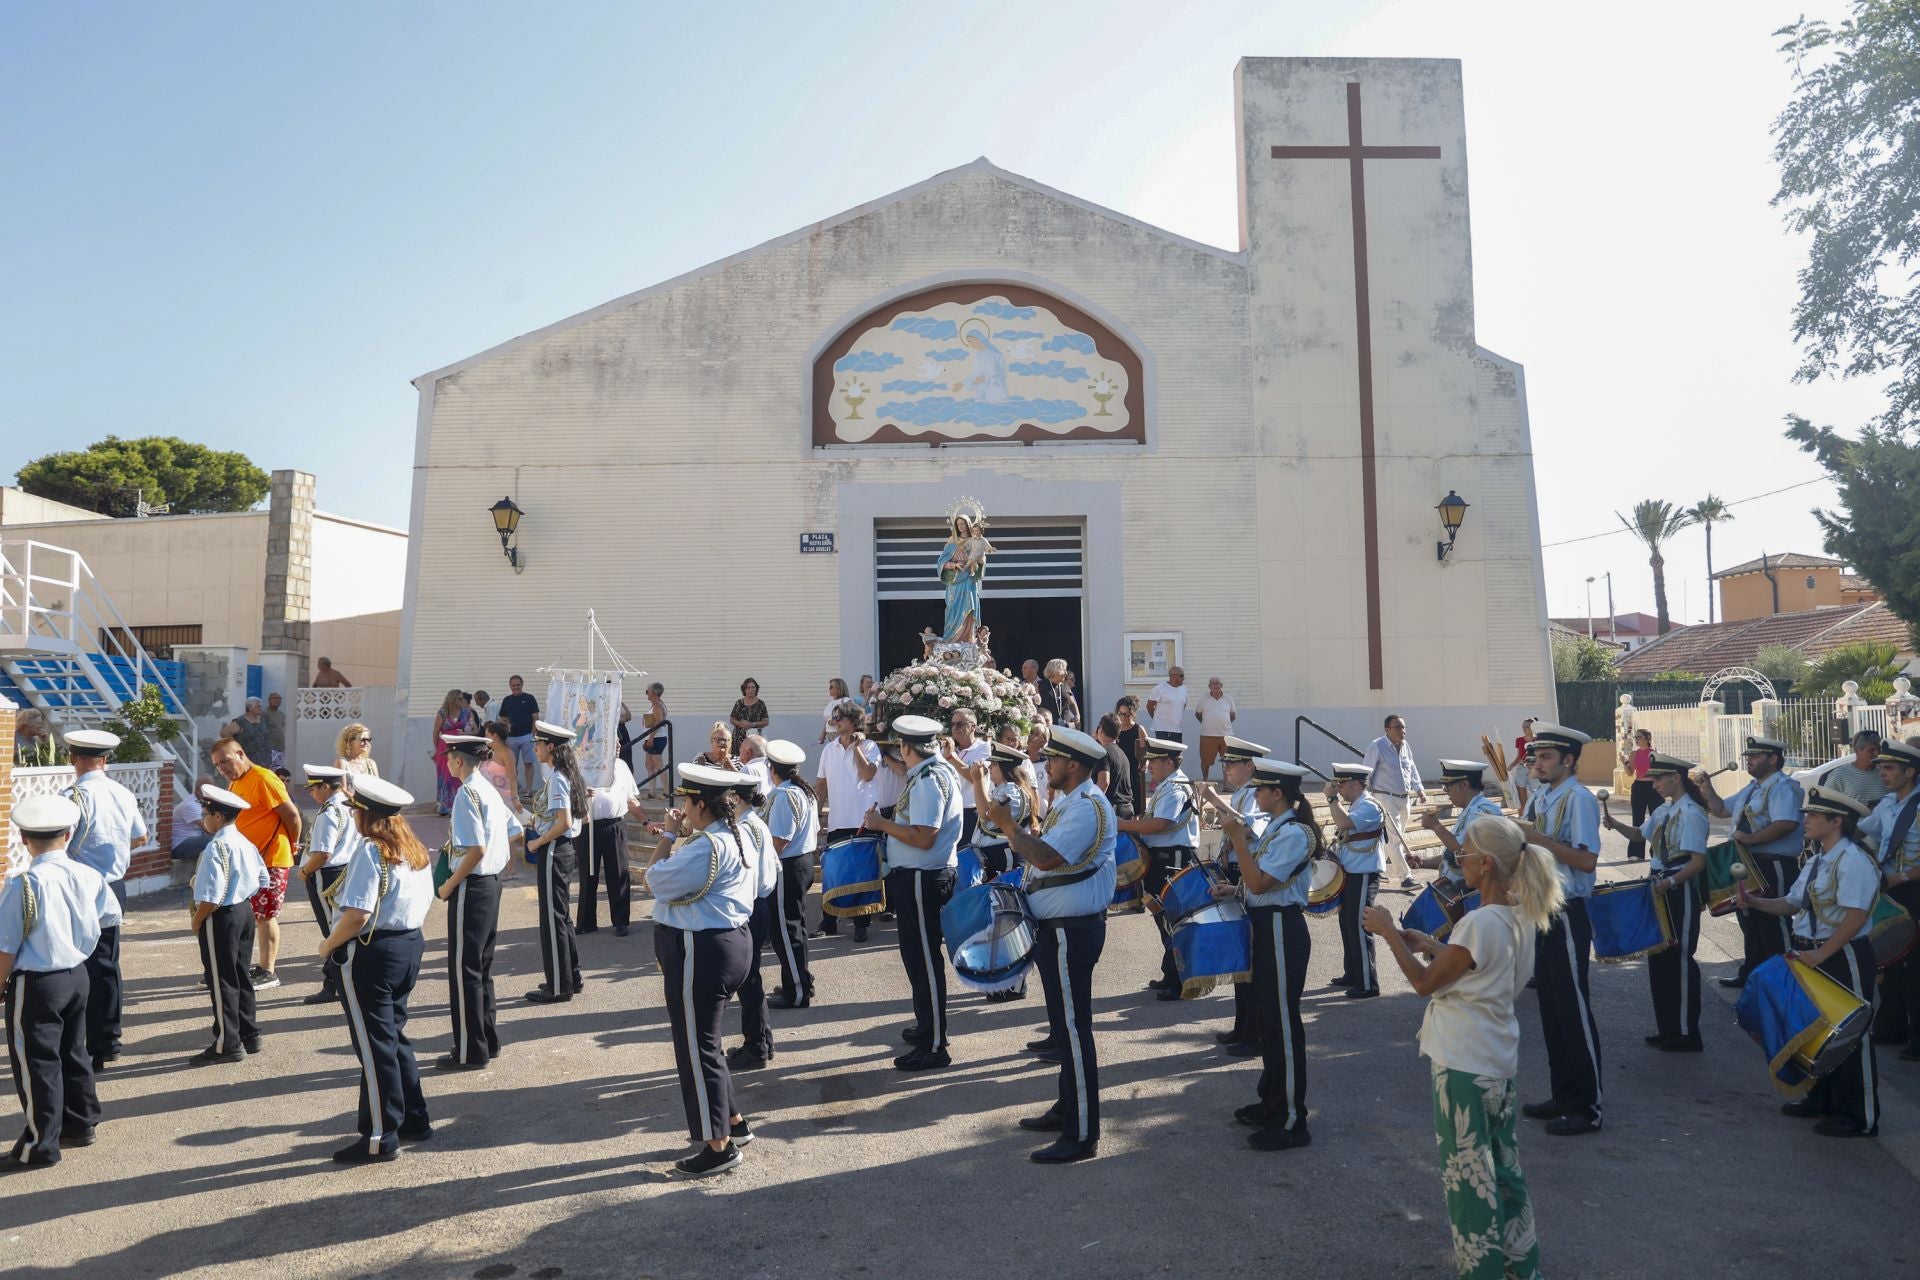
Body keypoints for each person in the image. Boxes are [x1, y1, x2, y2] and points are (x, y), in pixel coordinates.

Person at [1362, 814, 1560, 1279]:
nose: (1459, 860)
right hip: (1496, 1055)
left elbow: (1426, 984)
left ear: (1487, 864)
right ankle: (1519, 1264)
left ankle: (1481, 1272)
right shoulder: (1520, 913)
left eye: (1465, 854)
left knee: (1468, 1179)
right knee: (1504, 1168)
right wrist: (1431, 942)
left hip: (1464, 1061)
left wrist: (1390, 933)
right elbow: (1475, 968)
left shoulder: (1479, 922)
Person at [982, 726, 1117, 1164]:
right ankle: (1067, 1108)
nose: (1047, 766)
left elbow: (1046, 858)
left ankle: (1082, 1133)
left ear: (1073, 765)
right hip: (1059, 928)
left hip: (1070, 931)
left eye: (1053, 760)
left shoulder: (1087, 806)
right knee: (1064, 1028)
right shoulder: (1073, 801)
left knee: (1075, 1032)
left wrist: (1007, 826)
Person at [1739, 786, 1881, 1137]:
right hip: (1813, 951)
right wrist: (1757, 904)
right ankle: (1821, 1098)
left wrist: (1821, 953)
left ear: (1837, 821)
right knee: (1818, 1029)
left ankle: (1859, 1116)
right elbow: (1792, 903)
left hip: (1840, 953)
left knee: (1851, 1032)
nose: (1807, 819)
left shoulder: (1853, 860)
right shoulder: (1819, 858)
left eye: (1815, 815)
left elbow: (1855, 917)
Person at [643, 763, 757, 1176]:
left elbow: (653, 880)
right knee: (707, 1042)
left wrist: (670, 835)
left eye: (686, 803)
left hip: (703, 948)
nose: (683, 810)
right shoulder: (740, 831)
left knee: (696, 1048)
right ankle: (733, 1122)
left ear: (700, 804)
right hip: (732, 940)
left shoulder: (705, 846)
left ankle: (718, 1147)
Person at [1199, 759, 1318, 1152]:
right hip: (1267, 927)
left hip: (1282, 930)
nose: (1256, 794)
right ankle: (1271, 1101)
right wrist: (1234, 892)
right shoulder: (1278, 830)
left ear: (1277, 793)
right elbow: (1256, 885)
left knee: (1283, 1024)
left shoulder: (1295, 835)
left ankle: (1291, 1119)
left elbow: (1260, 881)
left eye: (1262, 789)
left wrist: (1238, 841)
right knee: (1269, 1020)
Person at [317, 776, 434, 1163]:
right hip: (409, 944)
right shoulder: (413, 848)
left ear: (366, 816)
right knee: (393, 1038)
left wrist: (328, 944)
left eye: (356, 812)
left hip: (373, 950)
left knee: (373, 1046)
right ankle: (414, 1118)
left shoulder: (371, 851)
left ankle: (380, 1136)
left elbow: (358, 914)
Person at [0, 794, 118, 1172]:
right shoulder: (87, 874)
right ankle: (80, 1123)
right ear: (68, 835)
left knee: (36, 1063)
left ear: (23, 839)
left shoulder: (24, 884)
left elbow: (6, 946)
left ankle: (40, 1143)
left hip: (38, 981)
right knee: (73, 1051)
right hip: (76, 975)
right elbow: (108, 920)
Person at [1515, 723, 1604, 1136]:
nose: (1538, 763)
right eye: (1537, 756)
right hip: (1540, 908)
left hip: (1567, 910)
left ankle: (1588, 1106)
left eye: (1547, 757)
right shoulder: (1542, 796)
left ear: (1569, 760)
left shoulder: (1579, 799)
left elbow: (1586, 862)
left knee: (1572, 1008)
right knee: (1551, 1009)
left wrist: (1537, 839)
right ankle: (1562, 1094)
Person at [863, 715, 962, 1071]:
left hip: (923, 877)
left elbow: (924, 836)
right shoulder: (931, 773)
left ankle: (934, 1044)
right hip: (920, 875)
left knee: (923, 961)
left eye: (899, 746)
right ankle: (927, 1028)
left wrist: (883, 824)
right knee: (919, 959)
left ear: (907, 747)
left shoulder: (929, 780)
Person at [1603, 753, 1709, 1050]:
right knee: (1659, 957)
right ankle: (1668, 1028)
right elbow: (1640, 834)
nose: (1656, 784)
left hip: (1678, 888)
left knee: (1680, 957)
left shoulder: (1691, 813)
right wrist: (1615, 824)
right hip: (1658, 884)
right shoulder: (1665, 811)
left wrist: (1671, 882)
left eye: (1660, 778)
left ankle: (1688, 1032)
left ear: (1677, 777)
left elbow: (1698, 862)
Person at [59, 730, 145, 1071]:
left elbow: (58, 843)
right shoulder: (121, 792)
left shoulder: (73, 795)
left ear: (71, 758)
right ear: (105, 759)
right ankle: (107, 1041)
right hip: (114, 884)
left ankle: (77, 1040)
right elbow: (141, 837)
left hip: (80, 886)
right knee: (106, 964)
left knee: (73, 962)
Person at [437, 735, 522, 1069]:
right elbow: (513, 830)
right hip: (490, 884)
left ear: (459, 760)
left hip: (471, 885)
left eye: (448, 757)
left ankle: (470, 1050)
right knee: (481, 967)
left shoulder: (467, 793)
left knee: (465, 971)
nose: (446, 763)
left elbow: (476, 849)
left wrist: (449, 885)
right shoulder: (487, 788)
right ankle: (487, 1040)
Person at [1700, 736, 1805, 988]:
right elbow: (1721, 810)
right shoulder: (1752, 788)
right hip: (1748, 861)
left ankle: (1784, 977)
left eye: (1756, 756)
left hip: (1773, 862)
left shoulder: (1782, 787)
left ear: (1773, 759)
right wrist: (1706, 788)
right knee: (1749, 919)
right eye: (1749, 756)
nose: (1750, 760)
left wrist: (1750, 839)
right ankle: (1753, 973)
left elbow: (1786, 824)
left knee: (1774, 923)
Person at [210, 738, 301, 991]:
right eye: (217, 765)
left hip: (270, 858)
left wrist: (292, 845)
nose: (223, 768)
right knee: (250, 915)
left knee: (266, 915)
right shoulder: (236, 781)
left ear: (240, 753)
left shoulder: (264, 778)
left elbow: (292, 815)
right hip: (250, 860)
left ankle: (268, 970)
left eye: (225, 761)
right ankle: (250, 966)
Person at [190, 783, 271, 1064]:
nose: (203, 819)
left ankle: (228, 1043)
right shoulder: (243, 841)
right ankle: (249, 1034)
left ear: (218, 816)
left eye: (205, 813)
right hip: (244, 910)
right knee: (239, 975)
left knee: (221, 980)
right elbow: (263, 880)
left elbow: (211, 897)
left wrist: (198, 920)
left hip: (221, 915)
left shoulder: (217, 847)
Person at [1120, 736, 1197, 1001]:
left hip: (1171, 858)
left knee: (1173, 919)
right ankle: (1171, 972)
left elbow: (1160, 824)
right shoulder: (1168, 784)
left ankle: (1180, 981)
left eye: (1153, 760)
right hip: (1162, 857)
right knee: (1163, 918)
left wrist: (1123, 825)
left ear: (1168, 761)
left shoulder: (1175, 787)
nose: (1149, 765)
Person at [1209, 735, 1270, 1056]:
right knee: (1240, 958)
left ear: (1250, 766)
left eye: (1231, 763)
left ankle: (1253, 1033)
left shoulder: (1254, 796)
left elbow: (1250, 829)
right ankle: (1242, 1026)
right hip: (1235, 873)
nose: (1227, 769)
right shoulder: (1243, 795)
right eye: (1225, 763)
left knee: (1251, 958)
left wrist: (1214, 803)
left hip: (1248, 876)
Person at [519, 721, 586, 1003]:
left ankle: (558, 985)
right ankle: (571, 975)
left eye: (538, 744)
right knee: (560, 916)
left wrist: (536, 841)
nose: (534, 748)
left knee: (552, 919)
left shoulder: (558, 777)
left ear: (550, 747)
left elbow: (564, 823)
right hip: (561, 849)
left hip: (554, 850)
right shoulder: (562, 775)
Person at [1862, 738, 1920, 1056]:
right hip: (1891, 890)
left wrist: (1902, 876)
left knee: (1916, 969)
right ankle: (1891, 1027)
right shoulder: (1887, 804)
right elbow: (1862, 829)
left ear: (1910, 771)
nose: (1882, 773)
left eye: (1888, 768)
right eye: (1881, 767)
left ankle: (1918, 1036)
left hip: (1913, 888)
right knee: (1889, 962)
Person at [815, 701, 878, 941]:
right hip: (837, 819)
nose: (836, 722)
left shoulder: (870, 746)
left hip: (863, 819)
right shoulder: (829, 749)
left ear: (853, 721)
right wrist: (816, 815)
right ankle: (828, 920)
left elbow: (868, 774)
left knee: (861, 874)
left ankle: (861, 923)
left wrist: (857, 748)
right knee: (833, 872)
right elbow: (821, 785)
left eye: (840, 717)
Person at [294, 764, 356, 1007]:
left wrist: (305, 871)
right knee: (339, 927)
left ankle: (335, 984)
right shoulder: (348, 806)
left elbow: (323, 853)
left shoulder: (329, 811)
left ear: (326, 787)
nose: (311, 793)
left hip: (327, 875)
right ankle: (338, 981)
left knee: (332, 931)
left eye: (314, 788)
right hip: (345, 870)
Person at [763, 741, 819, 1009]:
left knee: (786, 930)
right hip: (801, 862)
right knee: (794, 927)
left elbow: (779, 841)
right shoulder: (802, 791)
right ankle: (798, 979)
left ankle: (796, 991)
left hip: (787, 864)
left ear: (772, 768)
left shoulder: (785, 795)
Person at [1324, 762, 1383, 999]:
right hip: (1351, 870)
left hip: (1363, 871)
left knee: (1359, 926)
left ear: (1356, 784)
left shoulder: (1369, 805)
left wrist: (1330, 800)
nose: (1339, 790)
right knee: (1347, 924)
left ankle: (1368, 984)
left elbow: (1345, 823)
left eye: (1342, 785)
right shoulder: (1359, 804)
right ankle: (1353, 973)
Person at [1414, 759, 1506, 888]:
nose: (1446, 792)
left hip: (1471, 893)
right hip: (1456, 889)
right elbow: (1453, 857)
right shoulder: (1470, 809)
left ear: (1464, 785)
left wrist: (1435, 826)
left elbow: (1464, 852)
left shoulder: (1482, 812)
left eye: (1448, 787)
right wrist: (1423, 862)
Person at [580, 754, 642, 938]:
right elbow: (570, 793)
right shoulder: (584, 763)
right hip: (588, 825)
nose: (615, 747)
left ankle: (621, 921)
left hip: (615, 825)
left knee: (618, 874)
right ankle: (586, 922)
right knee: (587, 874)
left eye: (617, 743)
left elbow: (631, 799)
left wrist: (646, 821)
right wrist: (581, 794)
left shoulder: (621, 766)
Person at [1361, 715, 1426, 887]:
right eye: (1398, 727)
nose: (1402, 731)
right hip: (1384, 797)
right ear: (1387, 730)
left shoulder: (1405, 746)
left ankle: (1377, 870)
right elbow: (1367, 771)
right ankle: (1406, 878)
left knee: (1393, 838)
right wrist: (1363, 796)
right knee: (1395, 838)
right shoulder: (1377, 746)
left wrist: (1419, 789)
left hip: (1404, 798)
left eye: (1403, 727)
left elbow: (1411, 767)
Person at [942, 709, 992, 846]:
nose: (954, 728)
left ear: (973, 727)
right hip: (946, 812)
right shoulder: (947, 750)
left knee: (965, 856)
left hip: (970, 813)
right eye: (952, 724)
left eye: (959, 724)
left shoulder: (985, 748)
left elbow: (975, 778)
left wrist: (951, 757)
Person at [431, 689, 474, 815]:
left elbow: (475, 729)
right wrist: (437, 748)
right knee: (445, 776)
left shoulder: (467, 712)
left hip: (461, 748)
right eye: (460, 699)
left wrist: (466, 733)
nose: (463, 701)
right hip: (445, 749)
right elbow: (435, 732)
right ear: (453, 700)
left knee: (458, 776)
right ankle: (444, 806)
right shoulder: (443, 713)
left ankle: (457, 805)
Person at [1827, 729, 1890, 809]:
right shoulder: (1839, 775)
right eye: (1871, 750)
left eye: (1879, 749)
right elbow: (1826, 805)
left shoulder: (1885, 774)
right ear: (1857, 751)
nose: (1877, 753)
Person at [1091, 713, 1137, 821]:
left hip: (1112, 810)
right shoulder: (1121, 753)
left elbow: (1104, 782)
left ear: (1101, 730)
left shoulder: (1103, 753)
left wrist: (1091, 804)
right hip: (1127, 809)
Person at [499, 675, 540, 793]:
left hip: (527, 736)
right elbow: (502, 718)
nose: (516, 687)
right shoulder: (507, 700)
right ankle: (514, 789)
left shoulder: (529, 698)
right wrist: (505, 724)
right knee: (511, 765)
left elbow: (535, 718)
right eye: (513, 685)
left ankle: (528, 790)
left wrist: (533, 735)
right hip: (511, 738)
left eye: (518, 685)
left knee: (528, 764)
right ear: (510, 686)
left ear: (522, 684)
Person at [1193, 678, 1237, 780]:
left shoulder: (1228, 698)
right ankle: (1205, 781)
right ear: (1209, 687)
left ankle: (1227, 785)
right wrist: (1208, 724)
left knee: (1228, 761)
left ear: (1221, 685)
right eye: (1212, 684)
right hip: (1207, 735)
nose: (1215, 686)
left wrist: (1223, 724)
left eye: (1217, 683)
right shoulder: (1203, 698)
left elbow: (1233, 716)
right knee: (1205, 761)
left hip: (1226, 735)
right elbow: (1198, 714)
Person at [1622, 729, 1656, 861]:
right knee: (1637, 820)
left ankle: (1657, 851)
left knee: (1656, 819)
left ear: (1647, 738)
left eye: (1639, 737)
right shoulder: (1633, 754)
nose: (1636, 739)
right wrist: (1624, 763)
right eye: (1635, 737)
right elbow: (1630, 772)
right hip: (1639, 786)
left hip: (1653, 787)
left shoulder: (1654, 753)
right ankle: (1636, 853)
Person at [1110, 697, 1150, 806]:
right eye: (1120, 714)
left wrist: (1146, 763)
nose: (1123, 718)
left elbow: (1148, 751)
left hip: (1133, 773)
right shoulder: (1113, 728)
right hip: (1117, 773)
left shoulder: (1138, 729)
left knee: (1136, 806)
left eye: (1126, 715)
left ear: (1132, 714)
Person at [227, 697, 276, 771]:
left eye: (260, 706)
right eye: (258, 706)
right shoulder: (241, 722)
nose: (260, 708)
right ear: (250, 707)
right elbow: (225, 733)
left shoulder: (262, 720)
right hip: (248, 760)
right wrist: (236, 748)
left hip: (264, 761)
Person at [641, 682, 670, 794]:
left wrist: (651, 738)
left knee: (658, 764)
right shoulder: (655, 705)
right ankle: (652, 792)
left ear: (653, 693)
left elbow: (659, 721)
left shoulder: (658, 705)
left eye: (647, 691)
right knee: (649, 764)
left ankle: (667, 792)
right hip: (652, 738)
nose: (646, 694)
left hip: (657, 738)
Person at [1146, 667, 1188, 742]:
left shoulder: (1184, 689)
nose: (1183, 678)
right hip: (1162, 730)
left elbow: (1182, 706)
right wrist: (1157, 719)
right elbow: (1149, 706)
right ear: (1173, 676)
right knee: (1164, 753)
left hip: (1177, 729)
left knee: (1177, 753)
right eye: (1181, 676)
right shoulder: (1160, 688)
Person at [171, 780, 210, 862]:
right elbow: (209, 828)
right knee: (214, 841)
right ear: (197, 791)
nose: (210, 794)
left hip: (193, 840)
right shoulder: (190, 805)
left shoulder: (201, 802)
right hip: (179, 845)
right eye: (207, 791)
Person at [730, 678, 769, 754]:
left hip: (754, 740)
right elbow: (732, 718)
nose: (751, 689)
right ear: (744, 689)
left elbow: (766, 722)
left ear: (756, 689)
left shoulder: (761, 704)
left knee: (753, 759)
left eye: (753, 687)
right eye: (748, 687)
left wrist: (752, 724)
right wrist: (739, 723)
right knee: (738, 761)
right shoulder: (739, 703)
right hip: (738, 740)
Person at [335, 722, 379, 788]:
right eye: (363, 739)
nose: (366, 743)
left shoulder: (371, 763)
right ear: (349, 742)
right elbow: (342, 790)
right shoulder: (342, 763)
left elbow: (378, 788)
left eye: (368, 739)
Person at [1509, 718, 1536, 809]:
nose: (1524, 729)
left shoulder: (1539, 740)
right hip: (1521, 769)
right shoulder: (1519, 740)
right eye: (1523, 727)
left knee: (1535, 794)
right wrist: (1511, 766)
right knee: (1521, 799)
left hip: (1534, 769)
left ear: (1533, 728)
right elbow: (1518, 757)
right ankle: (1522, 818)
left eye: (1527, 727)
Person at [1036, 659, 1069, 723]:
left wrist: (1077, 716)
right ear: (1055, 670)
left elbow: (1072, 704)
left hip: (1063, 725)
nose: (1066, 673)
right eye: (1064, 670)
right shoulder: (1040, 685)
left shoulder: (1065, 686)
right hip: (1047, 724)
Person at [820, 678, 851, 743]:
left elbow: (849, 717)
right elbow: (827, 720)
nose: (829, 689)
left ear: (839, 688)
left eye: (831, 687)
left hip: (840, 734)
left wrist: (835, 721)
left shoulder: (846, 701)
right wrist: (823, 735)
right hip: (830, 735)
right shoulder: (830, 702)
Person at [263, 692, 287, 768]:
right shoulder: (264, 713)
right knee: (269, 770)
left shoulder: (281, 714)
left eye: (279, 698)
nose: (277, 700)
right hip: (270, 749)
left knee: (279, 771)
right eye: (275, 698)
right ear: (269, 700)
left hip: (280, 748)